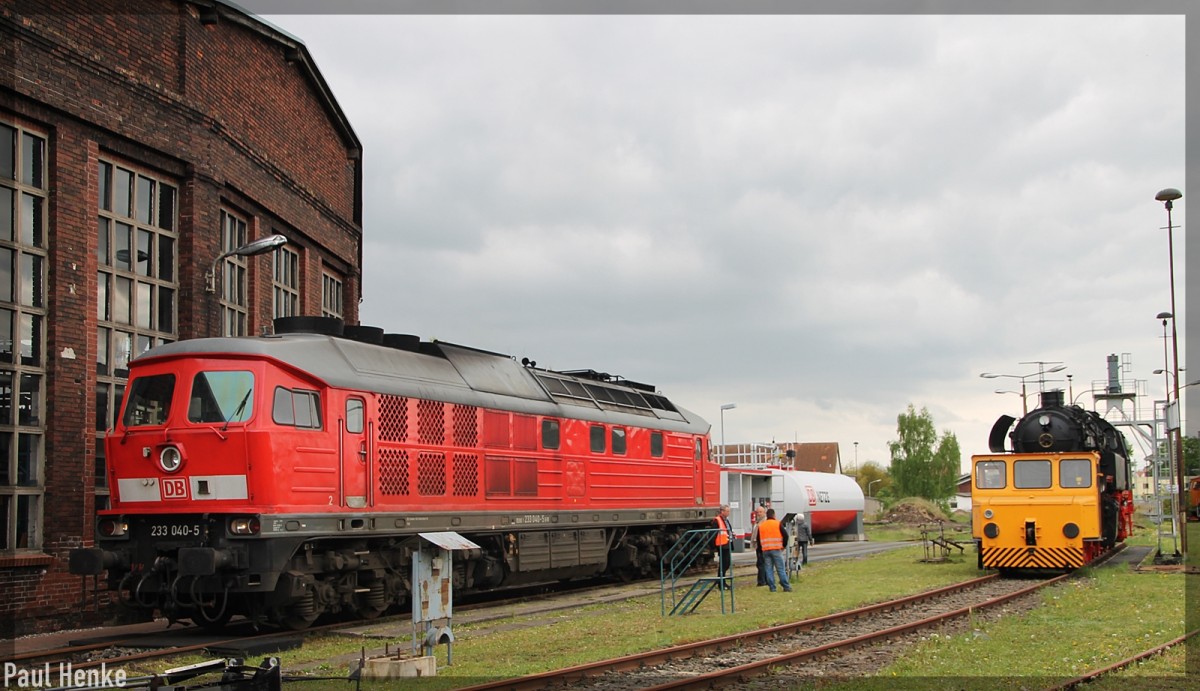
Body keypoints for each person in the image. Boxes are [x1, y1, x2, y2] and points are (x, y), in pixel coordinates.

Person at [754, 508, 791, 592]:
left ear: (767, 515)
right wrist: (783, 545)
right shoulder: (777, 524)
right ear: (774, 515)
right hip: (776, 549)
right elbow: (786, 535)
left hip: (766, 550)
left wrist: (760, 550)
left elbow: (758, 540)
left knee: (768, 569)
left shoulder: (762, 526)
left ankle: (772, 587)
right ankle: (786, 586)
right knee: (780, 569)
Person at [713, 504, 734, 589]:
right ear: (722, 511)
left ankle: (721, 581)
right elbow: (714, 534)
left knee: (726, 563)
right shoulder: (717, 520)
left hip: (727, 544)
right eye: (727, 511)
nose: (729, 513)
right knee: (724, 563)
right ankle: (721, 582)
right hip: (722, 545)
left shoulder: (726, 520)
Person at [748, 505, 768, 586]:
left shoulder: (764, 521)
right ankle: (764, 580)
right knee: (761, 563)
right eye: (757, 512)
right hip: (758, 546)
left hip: (762, 546)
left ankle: (762, 581)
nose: (758, 514)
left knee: (761, 563)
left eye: (760, 512)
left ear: (764, 512)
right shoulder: (757, 522)